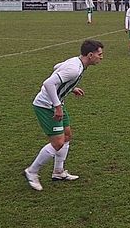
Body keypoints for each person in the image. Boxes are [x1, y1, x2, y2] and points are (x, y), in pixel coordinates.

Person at [23, 40, 105, 191]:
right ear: (90, 55)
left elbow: (57, 67)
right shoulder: (74, 69)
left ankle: (58, 172)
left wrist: (70, 87)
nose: (101, 57)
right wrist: (57, 106)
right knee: (58, 142)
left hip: (57, 103)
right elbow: (48, 83)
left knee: (67, 135)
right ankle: (32, 171)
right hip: (46, 106)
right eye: (99, 54)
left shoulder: (77, 62)